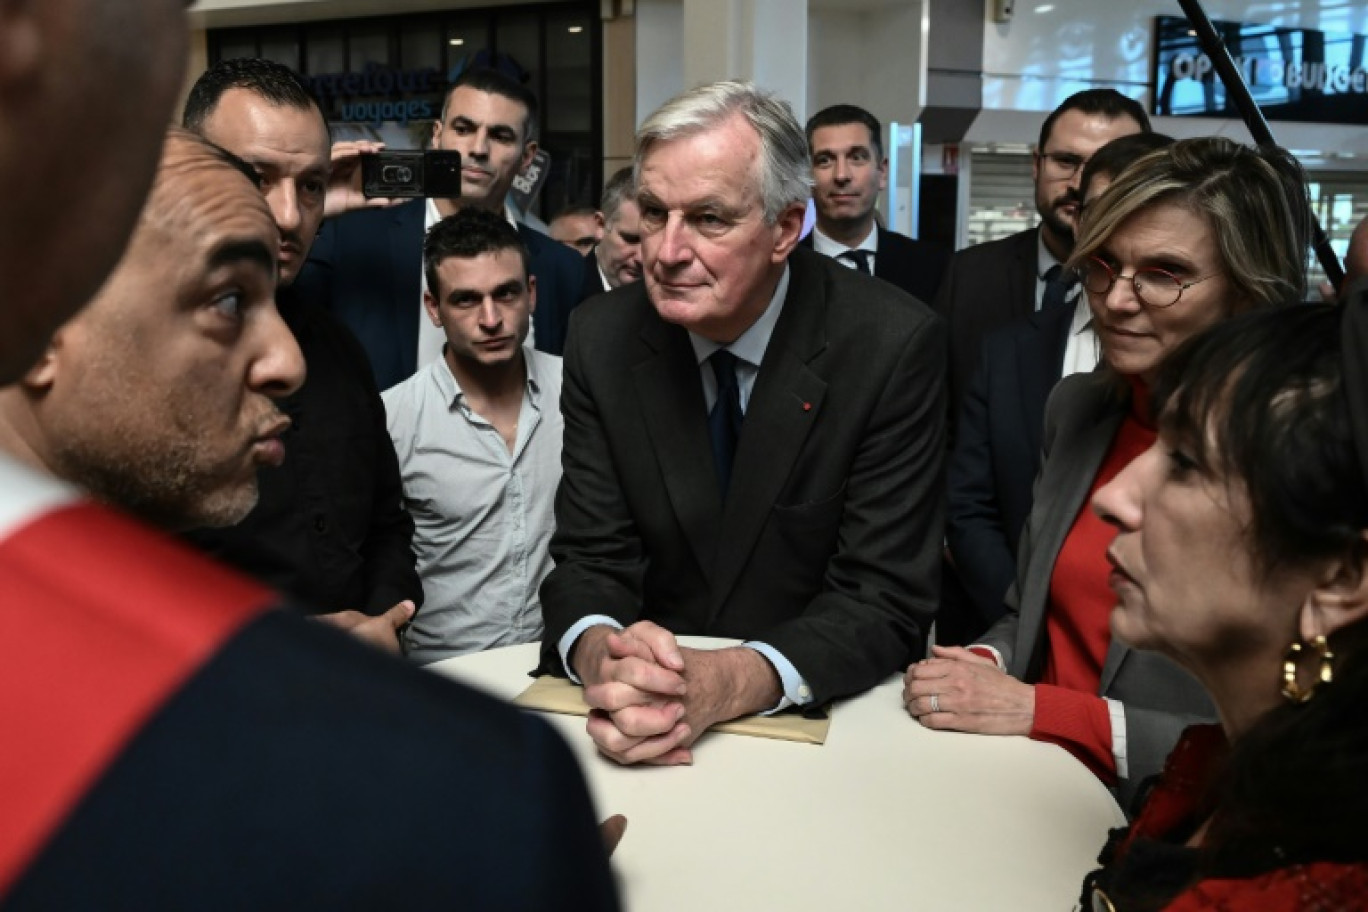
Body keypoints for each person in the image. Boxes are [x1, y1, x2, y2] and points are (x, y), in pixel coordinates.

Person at [0, 117, 617, 907]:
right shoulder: (492, 792)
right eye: (228, 299)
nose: (288, 362)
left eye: (310, 188)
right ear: (39, 320)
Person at [540, 80, 946, 766]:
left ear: (787, 228)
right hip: (640, 724)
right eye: (653, 213)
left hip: (829, 725)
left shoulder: (890, 344)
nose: (663, 253)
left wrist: (730, 681)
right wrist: (601, 654)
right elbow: (590, 555)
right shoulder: (601, 336)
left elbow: (882, 595)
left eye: (708, 219)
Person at [904, 137, 1313, 808]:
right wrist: (988, 660)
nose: (1117, 300)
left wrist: (1047, 713)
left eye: (1163, 272)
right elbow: (1029, 611)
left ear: (1246, 294)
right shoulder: (1078, 408)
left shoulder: (1296, 464)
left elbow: (1287, 749)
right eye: (1104, 265)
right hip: (1031, 791)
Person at [1082, 304, 1368, 909]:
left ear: (1343, 578)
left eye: (1185, 464)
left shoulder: (1316, 888)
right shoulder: (1229, 769)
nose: (1112, 498)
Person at [180, 58, 421, 653]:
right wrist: (282, 651)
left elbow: (387, 524)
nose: (289, 216)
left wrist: (382, 619)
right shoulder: (137, 364)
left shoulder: (340, 350)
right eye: (257, 176)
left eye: (310, 185)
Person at [942, 132, 1173, 646]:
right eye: (1103, 211)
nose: (1121, 300)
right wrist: (1023, 631)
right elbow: (968, 505)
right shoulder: (1023, 360)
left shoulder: (1238, 418)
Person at [304, 67, 588, 390]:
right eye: (464, 129)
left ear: (527, 156)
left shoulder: (563, 269)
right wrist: (308, 205)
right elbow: (268, 305)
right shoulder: (352, 240)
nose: (478, 149)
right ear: (437, 135)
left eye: (500, 136)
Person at [384, 209, 562, 664]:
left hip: (557, 671)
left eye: (506, 294)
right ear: (434, 309)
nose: (490, 318)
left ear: (532, 294)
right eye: (465, 300)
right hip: (444, 679)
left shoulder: (578, 392)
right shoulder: (394, 418)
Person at [932, 89, 1149, 416]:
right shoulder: (969, 274)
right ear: (1036, 164)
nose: (1080, 183)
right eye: (1066, 161)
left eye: (1107, 166)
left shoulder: (1165, 294)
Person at [799, 104, 949, 305]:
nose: (841, 175)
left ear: (883, 173)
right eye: (825, 160)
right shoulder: (781, 271)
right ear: (808, 176)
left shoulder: (932, 267)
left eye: (857, 157)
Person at [583, 165, 643, 296]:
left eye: (650, 242)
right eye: (630, 239)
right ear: (600, 225)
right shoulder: (565, 294)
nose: (641, 257)